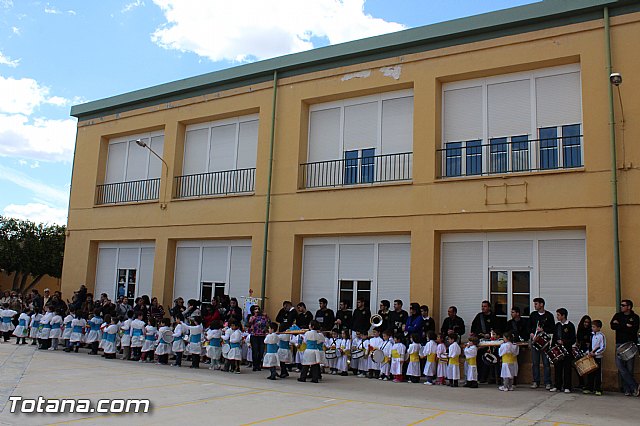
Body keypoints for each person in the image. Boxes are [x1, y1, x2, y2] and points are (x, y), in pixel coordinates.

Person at [610, 299, 640, 396]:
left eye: (623, 305)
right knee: (620, 366)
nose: (621, 307)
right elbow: (613, 326)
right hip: (619, 344)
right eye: (621, 305)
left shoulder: (635, 317)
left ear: (629, 307)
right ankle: (634, 386)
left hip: (630, 345)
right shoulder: (618, 315)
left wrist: (620, 325)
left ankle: (628, 390)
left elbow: (634, 329)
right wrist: (625, 325)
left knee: (629, 368)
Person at [471, 301, 501, 383]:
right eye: (482, 306)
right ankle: (480, 377)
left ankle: (489, 377)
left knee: (488, 360)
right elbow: (473, 327)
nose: (483, 308)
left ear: (489, 307)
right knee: (479, 360)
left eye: (485, 306)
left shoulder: (493, 317)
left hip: (490, 343)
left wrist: (489, 334)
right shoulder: (479, 316)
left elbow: (497, 329)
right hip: (480, 341)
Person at [529, 297, 555, 390]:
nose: (535, 306)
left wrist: (543, 330)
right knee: (535, 362)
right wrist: (532, 333)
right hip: (534, 340)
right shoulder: (533, 315)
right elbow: (529, 326)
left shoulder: (549, 315)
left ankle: (547, 382)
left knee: (546, 363)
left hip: (545, 342)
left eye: (536, 304)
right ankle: (536, 381)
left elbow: (552, 329)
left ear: (541, 304)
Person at [550, 308, 576, 393]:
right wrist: (552, 347)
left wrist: (564, 341)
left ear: (563, 315)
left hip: (567, 350)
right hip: (558, 350)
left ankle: (567, 386)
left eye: (558, 315)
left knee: (567, 369)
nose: (557, 317)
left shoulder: (570, 325)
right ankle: (557, 385)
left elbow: (573, 339)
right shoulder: (557, 325)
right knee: (558, 368)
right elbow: (554, 337)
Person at [584, 319, 606, 396]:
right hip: (591, 356)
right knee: (590, 372)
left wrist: (596, 353)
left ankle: (598, 388)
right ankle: (589, 387)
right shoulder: (591, 335)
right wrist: (588, 352)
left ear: (599, 328)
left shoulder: (601, 336)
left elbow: (602, 347)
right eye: (592, 327)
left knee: (597, 373)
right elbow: (589, 345)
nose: (592, 328)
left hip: (597, 357)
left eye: (594, 327)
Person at [247, 305, 270, 371]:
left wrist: (266, 316)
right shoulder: (252, 317)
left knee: (261, 351)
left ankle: (259, 364)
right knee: (255, 351)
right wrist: (254, 316)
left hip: (262, 335)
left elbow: (268, 323)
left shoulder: (263, 317)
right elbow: (249, 323)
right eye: (255, 309)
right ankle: (255, 365)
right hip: (254, 335)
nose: (257, 310)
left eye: (258, 309)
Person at [575, 315, 592, 388]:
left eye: (588, 322)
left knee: (588, 368)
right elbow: (578, 339)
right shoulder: (580, 329)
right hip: (580, 349)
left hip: (587, 350)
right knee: (578, 367)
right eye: (585, 322)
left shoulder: (590, 331)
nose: (586, 324)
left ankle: (588, 384)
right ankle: (581, 382)